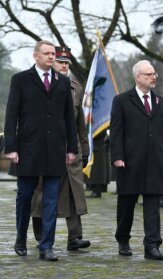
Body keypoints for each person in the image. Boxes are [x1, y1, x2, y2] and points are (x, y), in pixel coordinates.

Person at [4, 40, 78, 261]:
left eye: (53, 54)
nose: (51, 57)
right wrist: (11, 147)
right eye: (46, 54)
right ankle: (20, 238)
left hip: (55, 150)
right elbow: (11, 116)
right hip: (27, 150)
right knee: (25, 197)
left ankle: (47, 246)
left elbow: (69, 119)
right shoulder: (20, 80)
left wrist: (71, 148)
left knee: (51, 200)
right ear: (35, 56)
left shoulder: (63, 82)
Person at [110, 60, 163, 260]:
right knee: (127, 204)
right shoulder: (122, 100)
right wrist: (117, 157)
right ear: (138, 77)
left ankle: (152, 245)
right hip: (130, 162)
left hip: (155, 161)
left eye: (154, 74)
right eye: (149, 74)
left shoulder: (161, 102)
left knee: (153, 205)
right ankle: (123, 239)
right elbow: (117, 132)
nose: (154, 77)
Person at [31, 46, 91, 251]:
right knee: (41, 193)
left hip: (71, 149)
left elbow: (79, 122)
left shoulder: (75, 86)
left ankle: (75, 238)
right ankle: (41, 236)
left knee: (74, 193)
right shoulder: (37, 84)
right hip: (45, 148)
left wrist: (84, 148)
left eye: (67, 63)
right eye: (60, 62)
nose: (64, 66)